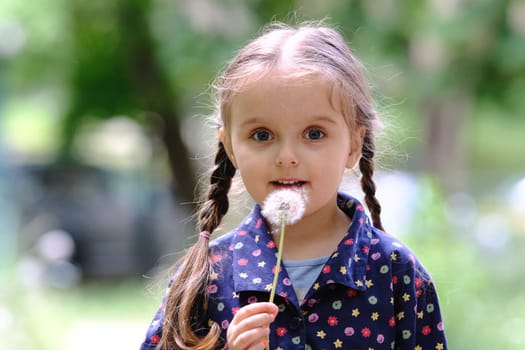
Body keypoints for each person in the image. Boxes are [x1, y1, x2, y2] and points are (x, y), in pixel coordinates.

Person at [140, 21, 448, 350]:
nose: (287, 156)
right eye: (262, 135)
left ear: (354, 144)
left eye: (314, 134)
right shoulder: (205, 282)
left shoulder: (397, 274)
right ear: (230, 146)